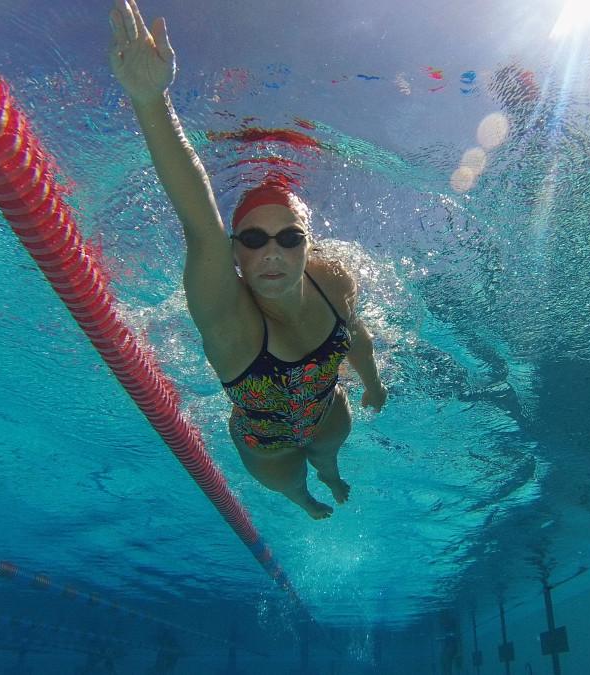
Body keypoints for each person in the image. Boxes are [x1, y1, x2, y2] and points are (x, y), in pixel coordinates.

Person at [108, 0, 387, 519]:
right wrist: (151, 101)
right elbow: (200, 220)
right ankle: (306, 498)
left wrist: (372, 382)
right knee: (297, 487)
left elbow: (357, 334)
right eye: (254, 240)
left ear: (308, 245)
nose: (272, 252)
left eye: (289, 239)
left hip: (330, 414)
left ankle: (332, 476)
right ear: (235, 251)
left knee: (328, 459)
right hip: (269, 447)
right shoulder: (229, 319)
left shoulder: (334, 278)